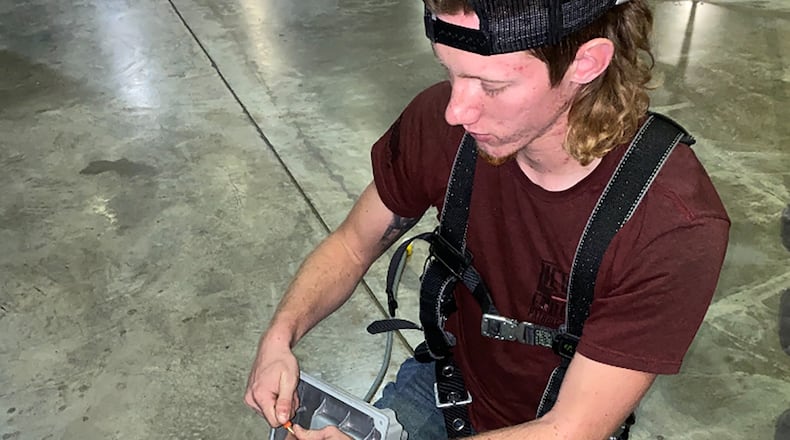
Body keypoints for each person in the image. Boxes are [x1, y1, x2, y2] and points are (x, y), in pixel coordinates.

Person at [244, 0, 731, 439]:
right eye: (451, 72)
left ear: (586, 63)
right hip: (445, 386)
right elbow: (352, 245)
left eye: (492, 86)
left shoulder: (672, 223)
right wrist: (279, 336)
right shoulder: (439, 124)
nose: (457, 110)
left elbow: (573, 427)